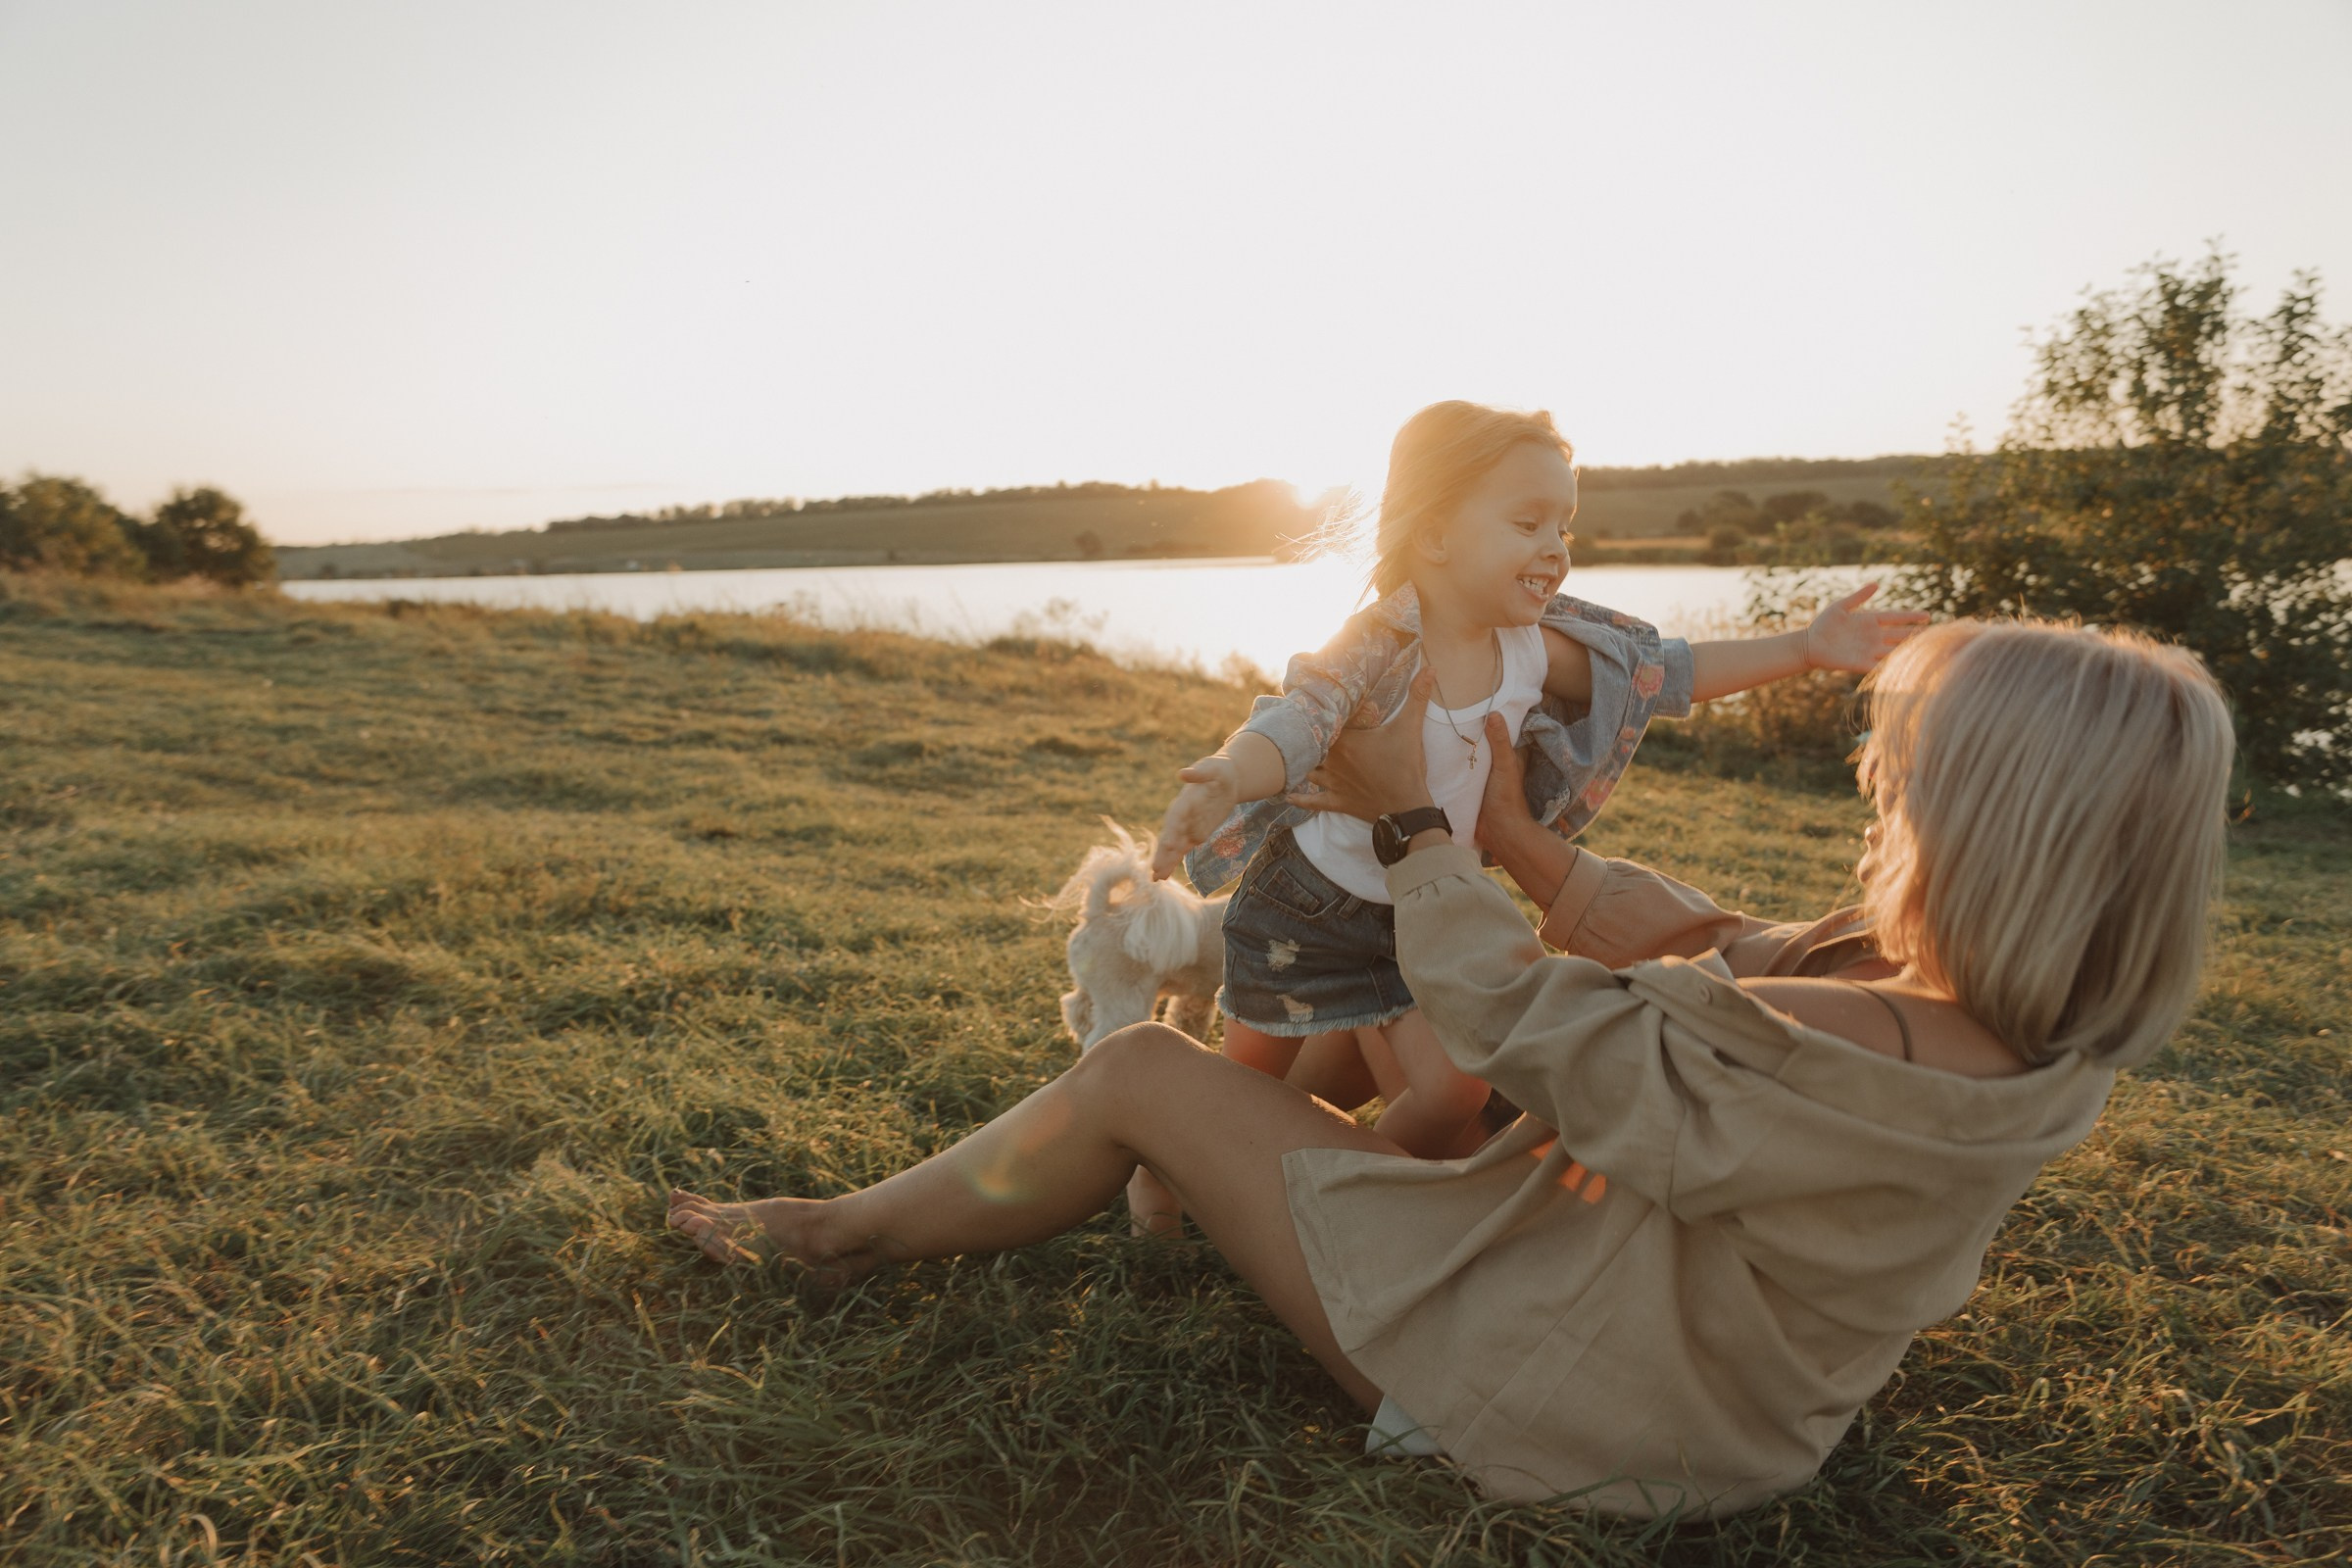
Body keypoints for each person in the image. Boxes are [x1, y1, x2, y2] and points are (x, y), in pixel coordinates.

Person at [668, 616, 2233, 1517]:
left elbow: (1511, 1016)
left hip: (1541, 1405)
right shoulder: (2019, 1029)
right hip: (1733, 1419)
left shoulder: (1824, 1048)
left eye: (1900, 784)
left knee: (1141, 1074)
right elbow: (1709, 933)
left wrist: (1412, 826)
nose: (1875, 794)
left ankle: (831, 1234)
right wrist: (1503, 832)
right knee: (1347, 1044)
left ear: (1980, 829)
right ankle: (1194, 1183)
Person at [1148, 400, 1925, 1164]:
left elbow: (1661, 674)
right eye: (1528, 524)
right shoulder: (1377, 645)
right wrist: (1228, 775)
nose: (1556, 548)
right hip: (1309, 906)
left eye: (1566, 526)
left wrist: (1806, 647)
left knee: (1453, 1095)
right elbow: (1298, 720)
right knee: (1241, 1082)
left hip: (1424, 913)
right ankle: (1162, 1170)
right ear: (1434, 534)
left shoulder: (1527, 647)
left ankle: (1350, 1193)